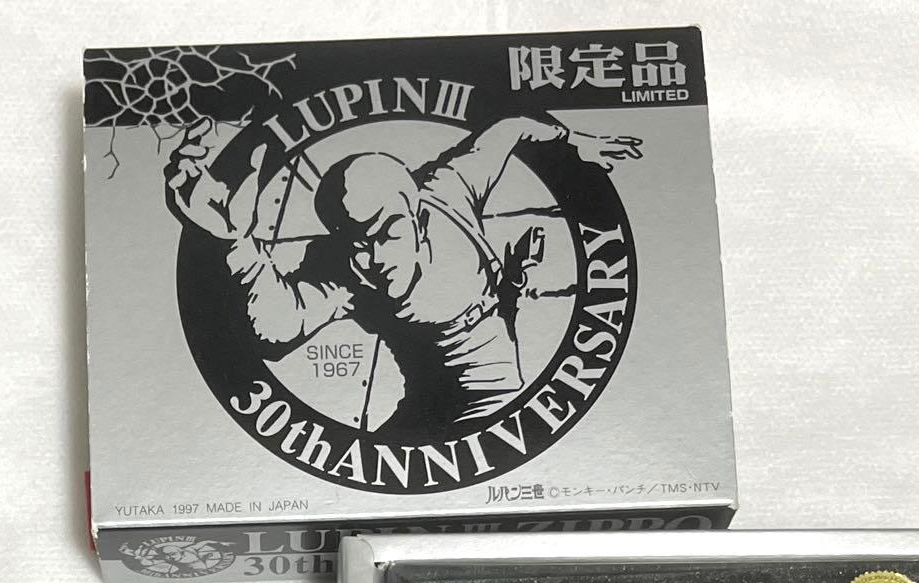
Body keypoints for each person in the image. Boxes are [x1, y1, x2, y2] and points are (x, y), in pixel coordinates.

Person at [165, 116, 642, 436]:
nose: (374, 258)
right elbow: (277, 330)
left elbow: (510, 129)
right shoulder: (341, 271)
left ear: (417, 214)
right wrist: (237, 241)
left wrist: (571, 142)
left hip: (507, 404)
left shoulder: (450, 189)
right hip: (430, 418)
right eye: (356, 243)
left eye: (387, 232)